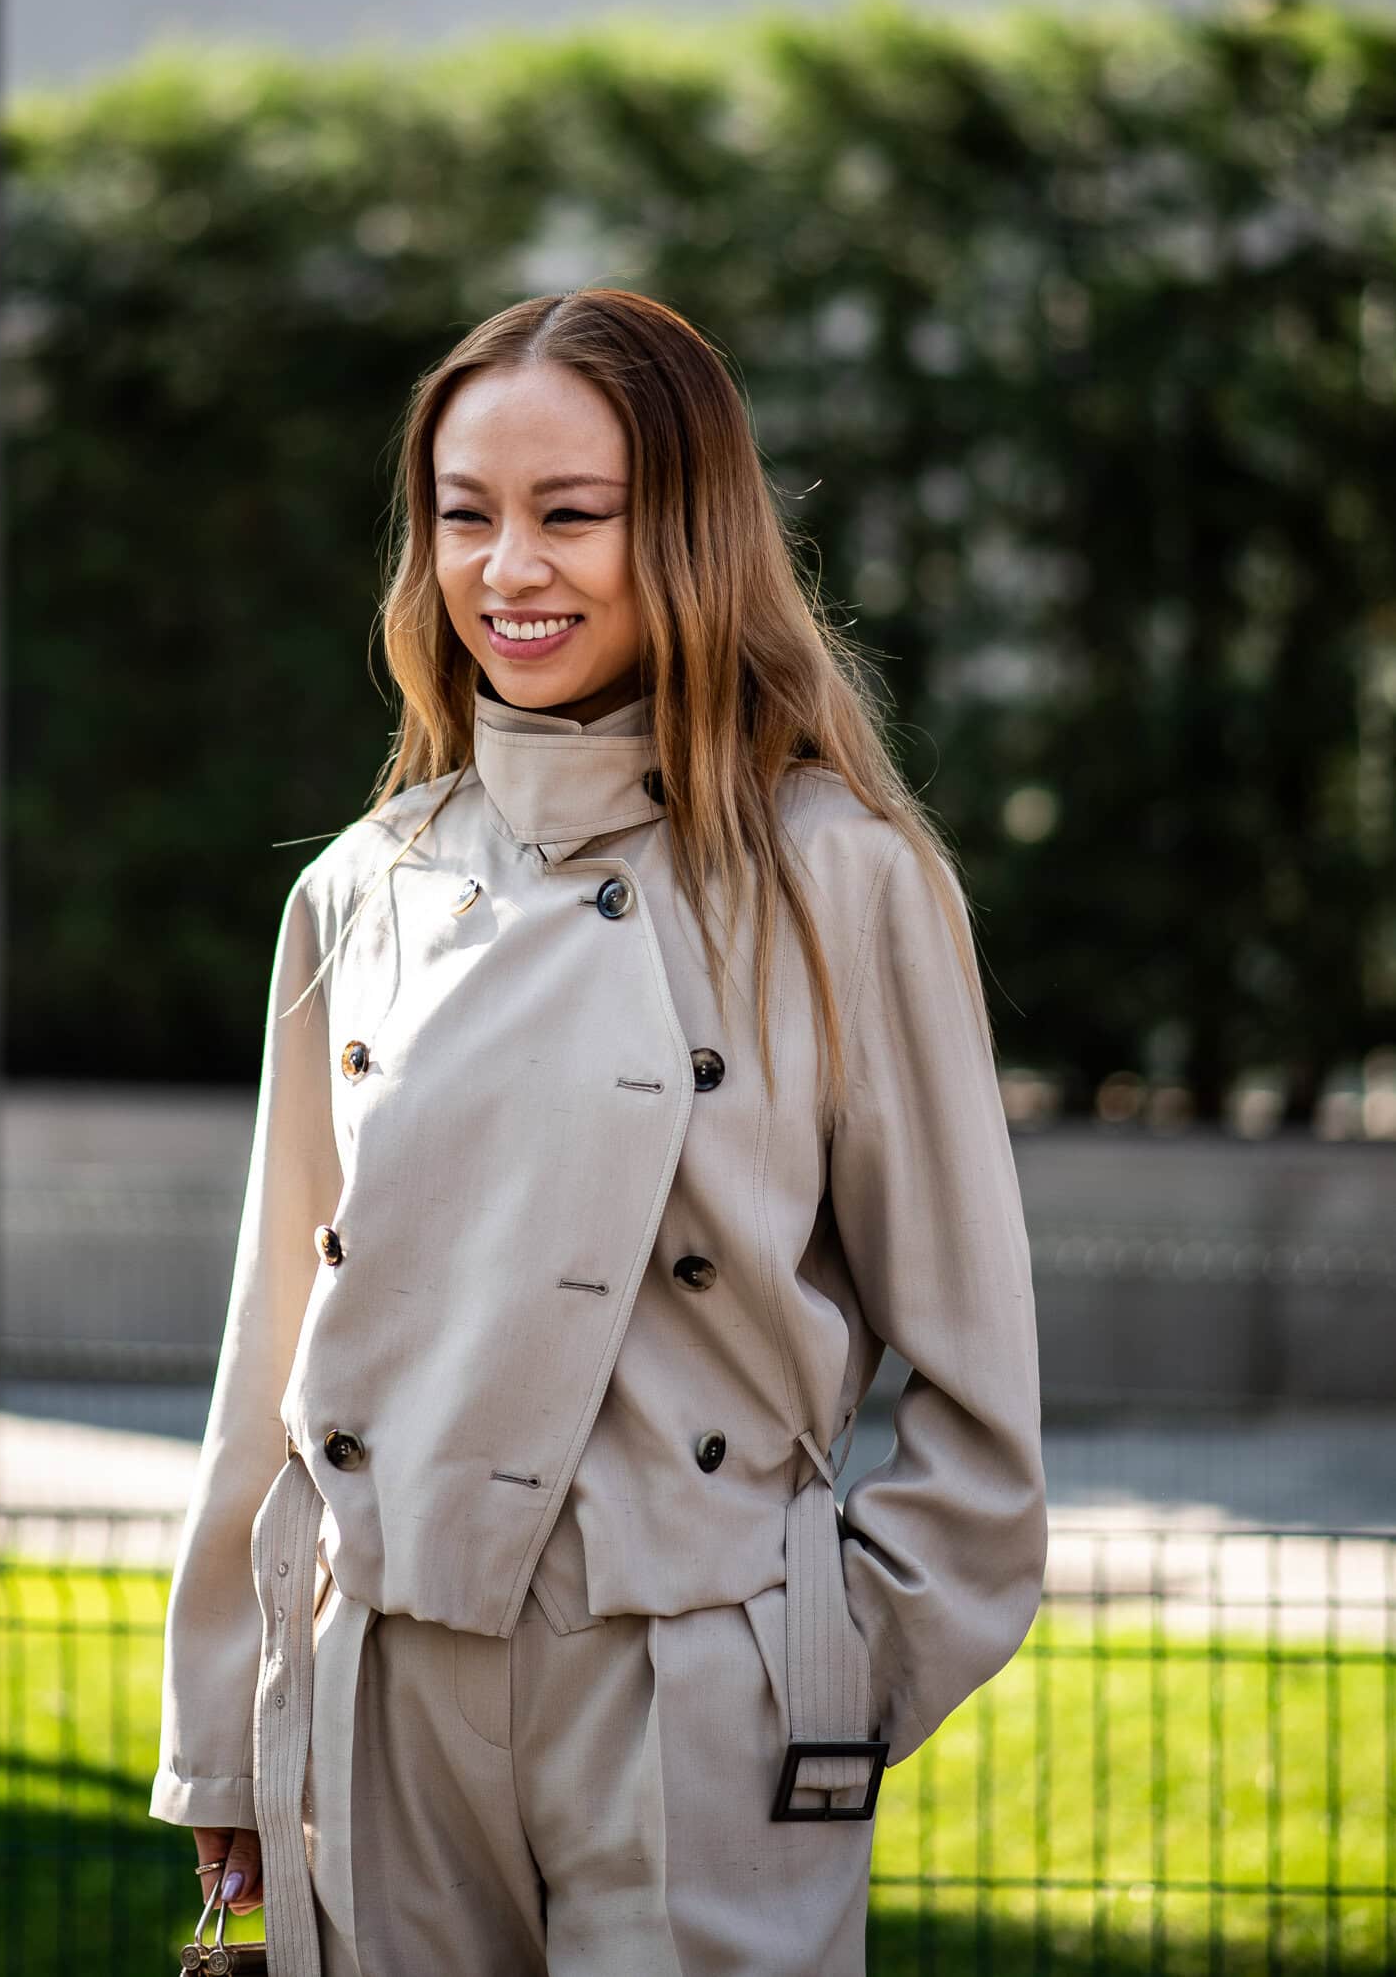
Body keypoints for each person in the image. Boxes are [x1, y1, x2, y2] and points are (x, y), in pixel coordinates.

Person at [149, 287, 1046, 1975]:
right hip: (381, 1687)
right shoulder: (361, 888)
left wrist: (826, 1673)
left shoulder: (837, 876)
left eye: (572, 515)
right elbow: (275, 1343)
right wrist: (225, 1728)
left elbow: (979, 1387)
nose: (510, 569)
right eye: (465, 516)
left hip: (694, 1689)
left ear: (690, 534)